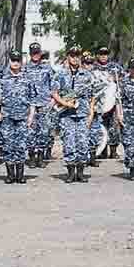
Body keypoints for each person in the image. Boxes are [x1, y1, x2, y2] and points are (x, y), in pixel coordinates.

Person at [52, 47, 97, 182]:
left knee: (83, 143)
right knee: (69, 143)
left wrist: (91, 113)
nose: (75, 58)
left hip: (83, 114)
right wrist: (65, 104)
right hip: (66, 115)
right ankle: (71, 173)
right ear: (68, 57)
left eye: (77, 56)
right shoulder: (60, 74)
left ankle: (81, 173)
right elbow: (54, 93)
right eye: (72, 56)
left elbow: (93, 96)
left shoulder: (87, 75)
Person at [0, 51, 35, 183]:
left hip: (23, 117)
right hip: (7, 117)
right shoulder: (2, 78)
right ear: (9, 61)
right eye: (13, 60)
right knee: (8, 146)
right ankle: (10, 175)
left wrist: (31, 116)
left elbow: (33, 100)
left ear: (21, 62)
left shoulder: (27, 79)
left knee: (22, 146)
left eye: (17, 60)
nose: (15, 63)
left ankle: (20, 175)